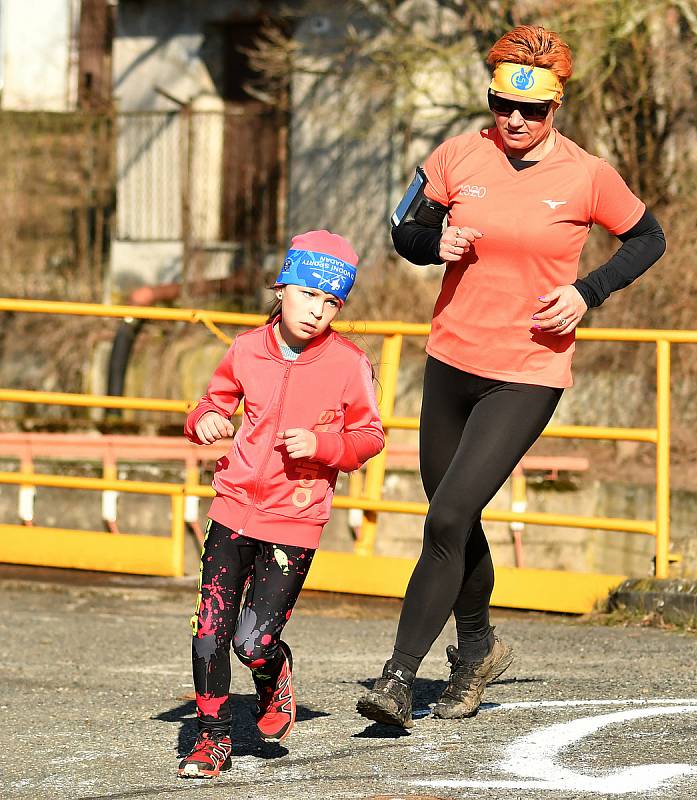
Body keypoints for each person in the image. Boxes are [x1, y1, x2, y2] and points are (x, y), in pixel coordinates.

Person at [357, 25, 666, 729]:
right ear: (491, 99)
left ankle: (398, 678)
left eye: (532, 111)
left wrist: (589, 292)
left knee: (449, 516)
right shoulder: (457, 155)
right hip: (451, 361)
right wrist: (432, 243)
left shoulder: (587, 174)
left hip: (528, 370)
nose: (515, 121)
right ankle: (477, 651)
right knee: (455, 518)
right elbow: (404, 230)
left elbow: (649, 238)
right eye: (503, 106)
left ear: (557, 108)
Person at [178, 230, 384, 778]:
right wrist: (207, 422)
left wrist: (325, 446)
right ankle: (212, 739)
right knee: (209, 631)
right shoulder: (245, 348)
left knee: (253, 641)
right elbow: (209, 402)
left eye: (331, 302)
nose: (318, 311)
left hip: (294, 519)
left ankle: (274, 671)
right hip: (231, 507)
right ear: (281, 288)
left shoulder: (348, 363)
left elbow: (369, 435)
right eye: (308, 294)